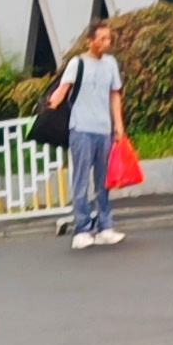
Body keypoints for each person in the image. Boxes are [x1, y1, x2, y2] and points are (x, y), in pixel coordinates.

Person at [46, 20, 125, 249]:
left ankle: (105, 226)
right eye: (101, 39)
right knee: (80, 180)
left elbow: (115, 94)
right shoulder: (77, 63)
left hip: (104, 130)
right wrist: (49, 108)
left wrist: (118, 124)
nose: (106, 43)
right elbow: (63, 89)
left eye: (108, 38)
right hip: (81, 129)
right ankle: (81, 228)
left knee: (104, 181)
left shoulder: (111, 64)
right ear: (90, 41)